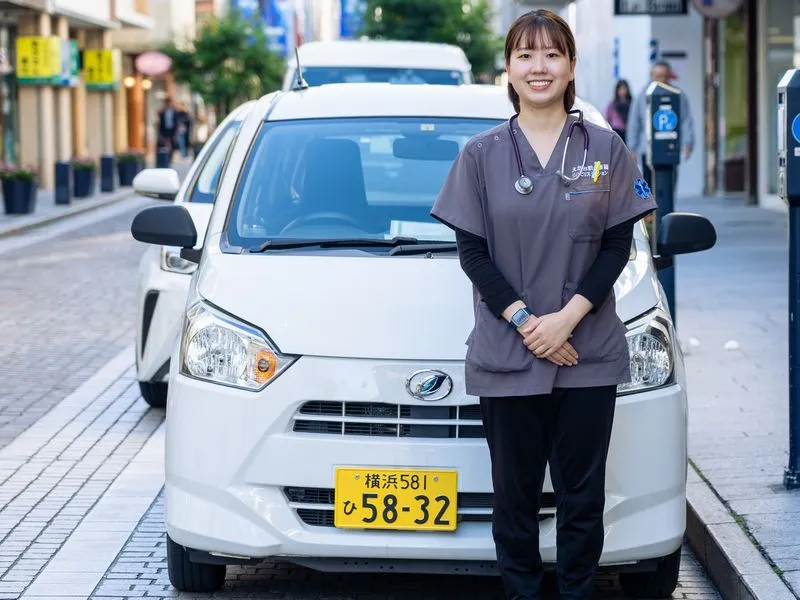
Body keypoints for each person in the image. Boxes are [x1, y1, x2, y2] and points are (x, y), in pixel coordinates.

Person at [430, 9, 657, 600]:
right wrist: (529, 323)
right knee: (515, 498)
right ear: (507, 68)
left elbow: (617, 244)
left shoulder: (605, 148)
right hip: (510, 353)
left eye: (552, 54)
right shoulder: (480, 156)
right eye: (526, 55)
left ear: (572, 65)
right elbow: (473, 254)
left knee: (583, 498)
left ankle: (578, 592)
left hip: (588, 352)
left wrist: (567, 319)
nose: (539, 67)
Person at [626, 60, 694, 189]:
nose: (661, 80)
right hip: (648, 150)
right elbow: (634, 122)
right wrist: (632, 148)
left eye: (665, 76)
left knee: (669, 187)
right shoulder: (642, 96)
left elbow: (686, 120)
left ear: (670, 76)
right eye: (658, 76)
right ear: (652, 76)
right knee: (649, 189)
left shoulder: (678, 95)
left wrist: (688, 143)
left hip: (670, 148)